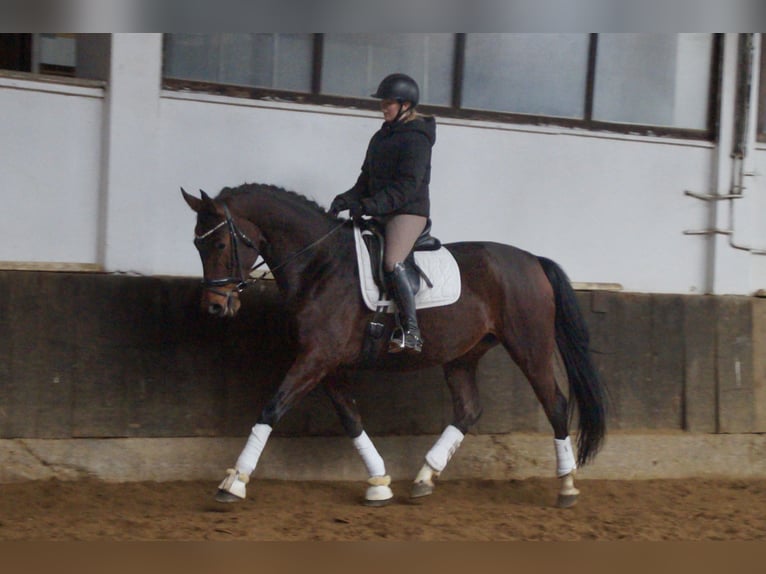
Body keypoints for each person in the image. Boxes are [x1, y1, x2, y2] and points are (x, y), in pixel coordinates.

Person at [330, 73, 436, 354]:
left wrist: (367, 206)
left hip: (407, 211)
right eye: (383, 102)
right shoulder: (380, 136)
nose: (383, 107)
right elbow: (365, 179)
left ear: (406, 105)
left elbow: (407, 187)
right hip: (381, 208)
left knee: (392, 261)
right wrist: (346, 199)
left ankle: (411, 331)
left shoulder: (417, 139)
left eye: (389, 103)